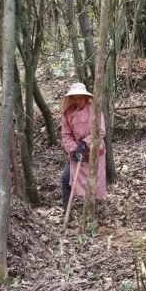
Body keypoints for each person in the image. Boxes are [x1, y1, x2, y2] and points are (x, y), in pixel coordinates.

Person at [60, 83, 106, 212]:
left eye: (81, 97)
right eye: (75, 97)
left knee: (94, 183)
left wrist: (86, 143)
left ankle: (92, 213)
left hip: (94, 150)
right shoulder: (67, 113)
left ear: (86, 97)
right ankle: (66, 212)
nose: (78, 100)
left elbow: (101, 131)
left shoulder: (94, 109)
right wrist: (74, 149)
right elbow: (66, 135)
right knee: (65, 179)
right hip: (76, 151)